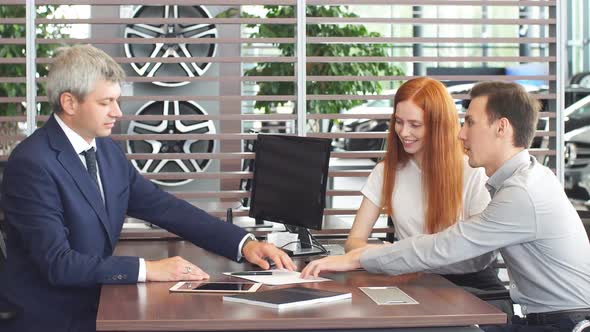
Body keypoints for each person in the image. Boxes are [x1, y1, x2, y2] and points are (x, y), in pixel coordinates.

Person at [0, 44, 296, 332]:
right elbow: (59, 264)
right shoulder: (33, 163)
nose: (117, 112)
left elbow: (164, 207)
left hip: (99, 302)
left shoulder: (105, 151)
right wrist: (148, 269)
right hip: (55, 318)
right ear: (69, 103)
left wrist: (245, 244)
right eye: (105, 102)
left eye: (117, 100)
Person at [302, 81, 590, 331]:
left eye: (470, 123)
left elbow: (448, 246)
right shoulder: (518, 181)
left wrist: (357, 258)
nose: (461, 134)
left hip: (564, 324)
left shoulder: (521, 193)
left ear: (501, 128)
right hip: (545, 319)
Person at [345, 77, 503, 291]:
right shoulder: (386, 171)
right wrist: (391, 257)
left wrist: (406, 258)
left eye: (415, 125)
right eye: (398, 122)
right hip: (411, 280)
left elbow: (478, 254)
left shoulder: (474, 171)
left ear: (439, 126)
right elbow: (354, 241)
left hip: (469, 285)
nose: (403, 132)